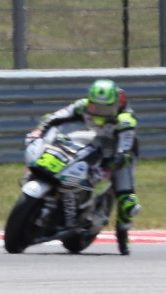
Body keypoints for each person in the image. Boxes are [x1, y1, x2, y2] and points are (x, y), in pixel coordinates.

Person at [26, 78, 139, 253]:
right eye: (95, 107)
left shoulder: (125, 121)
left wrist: (114, 162)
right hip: (89, 143)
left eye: (104, 108)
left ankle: (123, 235)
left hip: (116, 153)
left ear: (115, 105)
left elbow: (124, 150)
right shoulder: (82, 106)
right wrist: (39, 132)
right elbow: (53, 118)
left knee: (128, 203)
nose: (98, 112)